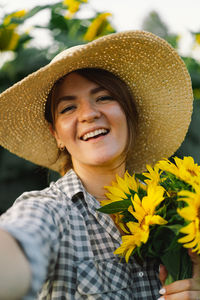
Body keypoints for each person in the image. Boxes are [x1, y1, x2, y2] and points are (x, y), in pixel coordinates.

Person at [0, 30, 199, 300]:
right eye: (68, 108)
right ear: (56, 134)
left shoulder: (178, 204)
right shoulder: (50, 210)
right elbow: (20, 239)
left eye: (104, 97)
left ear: (130, 113)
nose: (89, 114)